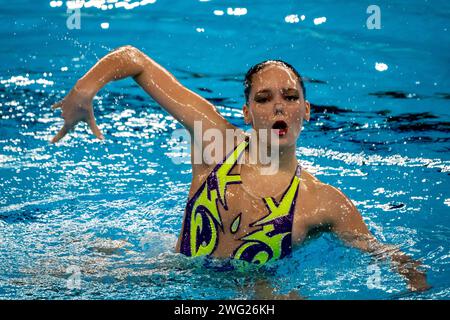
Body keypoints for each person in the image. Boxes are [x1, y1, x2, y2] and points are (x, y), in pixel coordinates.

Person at [50, 45, 430, 297]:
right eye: (263, 99)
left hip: (253, 292)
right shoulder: (215, 143)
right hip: (169, 275)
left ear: (306, 111)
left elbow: (384, 254)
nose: (278, 107)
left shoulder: (323, 203)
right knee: (49, 277)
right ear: (247, 114)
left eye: (290, 97)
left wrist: (416, 281)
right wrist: (85, 91)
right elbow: (134, 60)